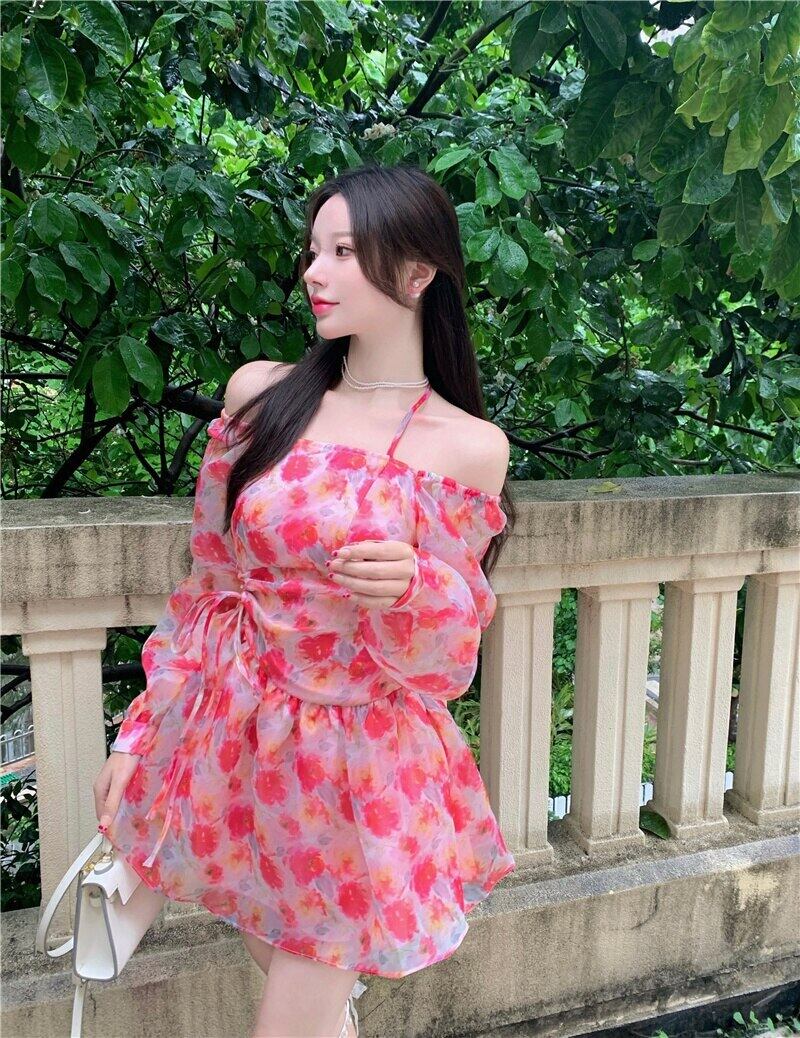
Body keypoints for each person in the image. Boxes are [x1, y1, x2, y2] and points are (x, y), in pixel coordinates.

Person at [93, 163, 517, 1038]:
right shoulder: (263, 393)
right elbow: (210, 583)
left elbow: (447, 659)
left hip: (357, 767)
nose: (314, 274)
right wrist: (141, 733)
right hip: (238, 741)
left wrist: (415, 585)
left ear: (417, 273)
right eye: (314, 251)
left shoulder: (469, 447)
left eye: (344, 253)